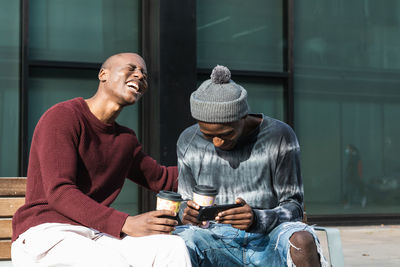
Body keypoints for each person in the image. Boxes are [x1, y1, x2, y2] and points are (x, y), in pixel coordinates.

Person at [11, 53, 191, 267]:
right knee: (110, 262)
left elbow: (163, 179)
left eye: (144, 74)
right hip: (45, 234)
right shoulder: (63, 116)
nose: (140, 76)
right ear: (103, 74)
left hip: (94, 235)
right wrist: (125, 223)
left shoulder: (125, 140)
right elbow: (60, 192)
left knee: (171, 248)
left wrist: (214, 163)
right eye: (131, 68)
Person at [173, 65, 328, 267]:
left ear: (243, 117)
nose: (217, 142)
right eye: (208, 135)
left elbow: (295, 208)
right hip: (213, 239)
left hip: (269, 237)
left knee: (302, 241)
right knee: (175, 244)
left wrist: (256, 218)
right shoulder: (188, 141)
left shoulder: (279, 135)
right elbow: (184, 201)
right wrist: (187, 212)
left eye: (226, 133)